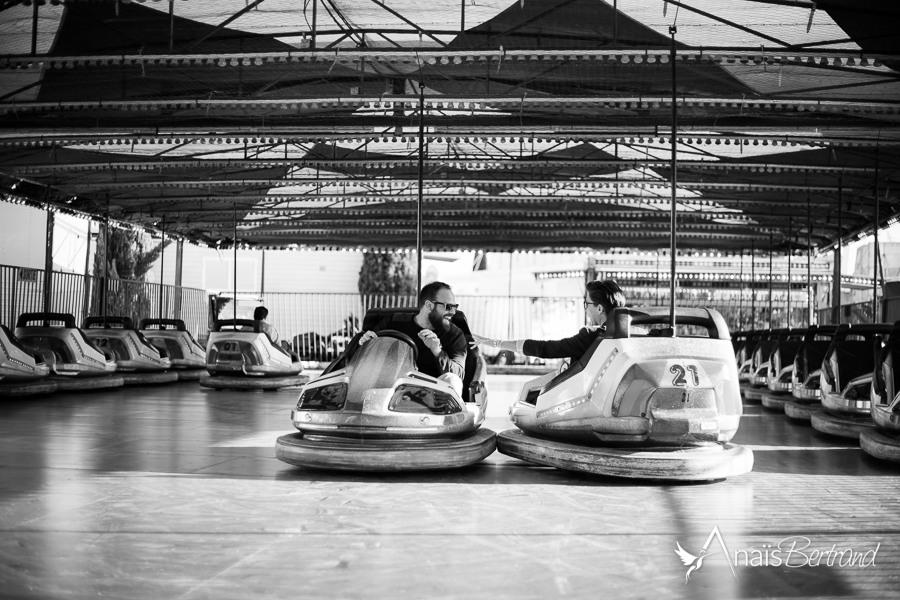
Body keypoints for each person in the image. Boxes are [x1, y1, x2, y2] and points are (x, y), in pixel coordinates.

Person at [472, 279, 626, 364]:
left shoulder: (591, 335)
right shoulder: (636, 333)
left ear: (599, 309)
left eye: (587, 304)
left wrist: (494, 342)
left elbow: (545, 349)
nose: (586, 309)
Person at [358, 281, 467, 396]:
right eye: (448, 307)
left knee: (453, 380)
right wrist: (365, 344)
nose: (453, 312)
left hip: (432, 396)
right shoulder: (393, 322)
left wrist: (437, 352)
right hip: (391, 390)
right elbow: (368, 360)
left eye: (455, 307)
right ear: (429, 305)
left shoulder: (454, 334)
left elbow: (458, 375)